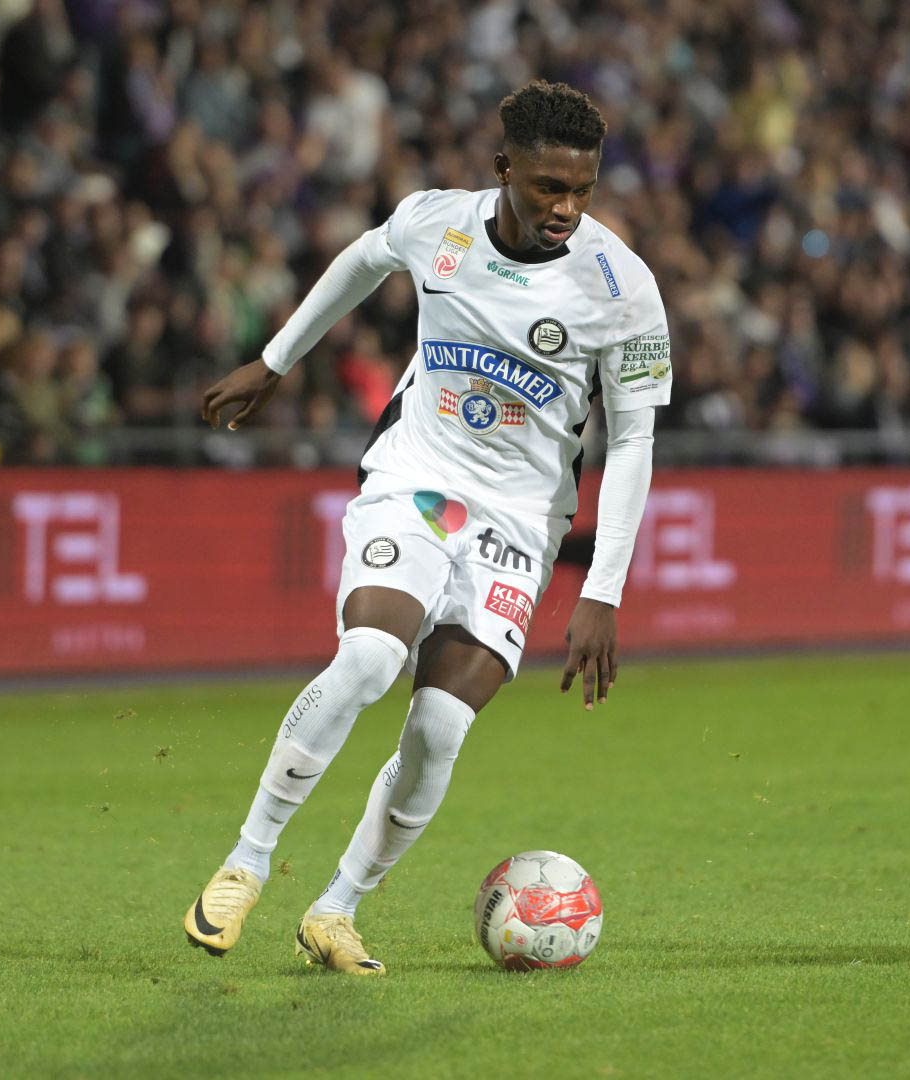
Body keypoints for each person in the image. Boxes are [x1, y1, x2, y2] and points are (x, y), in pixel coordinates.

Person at [185, 81, 671, 975]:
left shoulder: (623, 288)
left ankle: (336, 909)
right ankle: (245, 863)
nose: (565, 209)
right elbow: (362, 259)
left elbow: (634, 439)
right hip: (420, 480)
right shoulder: (436, 223)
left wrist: (602, 591)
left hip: (520, 522)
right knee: (371, 656)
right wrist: (275, 360)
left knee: (440, 726)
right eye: (547, 187)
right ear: (504, 168)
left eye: (582, 190)